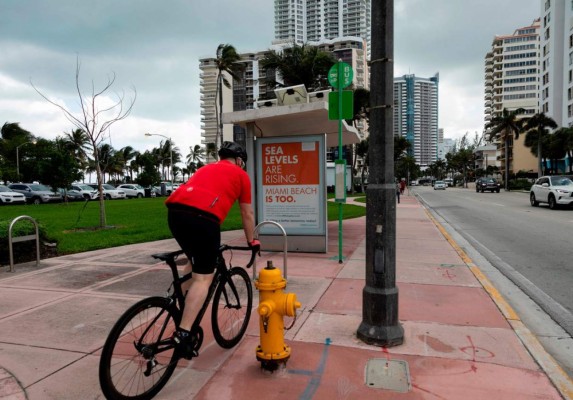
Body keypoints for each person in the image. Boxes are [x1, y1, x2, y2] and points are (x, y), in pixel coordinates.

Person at [164, 141, 260, 359]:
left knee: (194, 259)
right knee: (204, 278)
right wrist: (252, 241)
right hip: (203, 219)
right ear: (239, 161)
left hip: (175, 213)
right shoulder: (241, 175)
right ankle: (184, 333)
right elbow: (247, 214)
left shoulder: (206, 168)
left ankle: (179, 301)